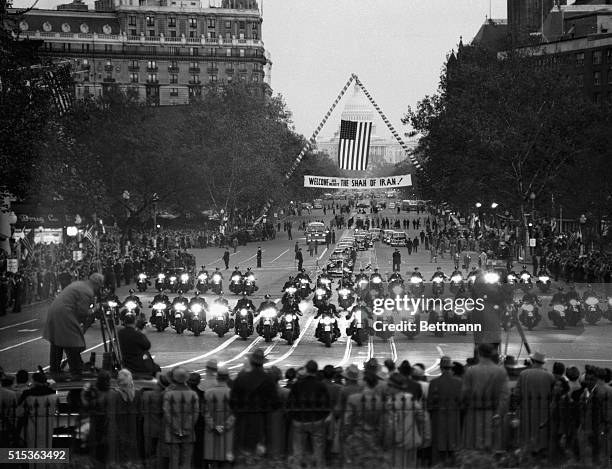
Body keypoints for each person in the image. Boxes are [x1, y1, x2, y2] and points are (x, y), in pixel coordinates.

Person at [43, 272, 104, 380]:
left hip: (54, 311)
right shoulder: (88, 291)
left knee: (57, 341)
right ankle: (76, 369)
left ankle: (55, 369)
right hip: (64, 314)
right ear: (97, 284)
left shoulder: (80, 284)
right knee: (72, 341)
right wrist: (96, 308)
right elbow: (83, 311)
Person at [229, 349, 280, 458]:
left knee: (243, 451)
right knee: (261, 453)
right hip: (262, 420)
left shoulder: (241, 378)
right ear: (262, 363)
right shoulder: (268, 379)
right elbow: (276, 402)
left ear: (251, 362)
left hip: (243, 420)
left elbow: (233, 402)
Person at [461, 343, 509, 450]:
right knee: (492, 447)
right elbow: (505, 396)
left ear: (479, 354)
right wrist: (499, 414)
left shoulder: (471, 371)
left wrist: (464, 409)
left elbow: (465, 394)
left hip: (473, 416)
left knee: (474, 449)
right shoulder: (501, 371)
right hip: (493, 415)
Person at [287, 360, 331, 468]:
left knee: (298, 451)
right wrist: (323, 417)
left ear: (306, 370)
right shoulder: (321, 386)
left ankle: (297, 466)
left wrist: (293, 416)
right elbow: (326, 404)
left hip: (300, 420)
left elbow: (290, 403)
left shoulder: (297, 384)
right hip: (316, 420)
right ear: (316, 371)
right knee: (318, 451)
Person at [514, 352, 555, 457]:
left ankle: (527, 450)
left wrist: (518, 407)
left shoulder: (523, 374)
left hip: (526, 409)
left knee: (527, 429)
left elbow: (517, 394)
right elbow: (553, 394)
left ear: (532, 361)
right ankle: (540, 450)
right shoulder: (549, 376)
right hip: (543, 409)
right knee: (541, 430)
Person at [427, 356, 462, 466]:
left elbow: (430, 404)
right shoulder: (458, 382)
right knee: (453, 444)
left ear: (441, 368)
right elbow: (461, 402)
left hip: (438, 416)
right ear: (450, 368)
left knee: (438, 445)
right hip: (453, 415)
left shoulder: (434, 383)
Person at [163, 367, 200, 469]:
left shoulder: (169, 394)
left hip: (172, 433)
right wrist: (186, 428)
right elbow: (195, 413)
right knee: (186, 462)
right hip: (189, 433)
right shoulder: (193, 394)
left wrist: (176, 429)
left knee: (173, 461)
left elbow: (167, 413)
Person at [202, 365, 235, 466]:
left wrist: (213, 425)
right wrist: (226, 426)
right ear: (227, 377)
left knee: (213, 462)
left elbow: (205, 412)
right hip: (228, 433)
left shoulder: (208, 393)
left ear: (217, 377)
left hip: (212, 433)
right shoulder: (233, 393)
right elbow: (235, 413)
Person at [118, 313, 160, 378]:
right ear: (135, 322)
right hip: (137, 362)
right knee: (155, 367)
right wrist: (143, 334)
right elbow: (147, 345)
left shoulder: (120, 333)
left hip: (125, 359)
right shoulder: (137, 334)